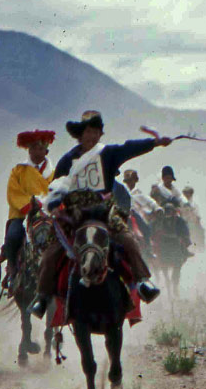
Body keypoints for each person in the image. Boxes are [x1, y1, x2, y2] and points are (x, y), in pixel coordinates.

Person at [27, 110, 172, 318]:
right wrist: (57, 205)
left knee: (128, 240)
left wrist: (154, 143)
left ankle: (142, 282)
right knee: (51, 253)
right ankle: (42, 296)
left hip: (103, 212)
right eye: (88, 131)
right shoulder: (67, 161)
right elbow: (55, 189)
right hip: (74, 215)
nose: (93, 136)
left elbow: (129, 148)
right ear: (80, 134)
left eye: (96, 132)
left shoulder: (108, 153)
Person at [2, 129, 55, 289]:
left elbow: (59, 191)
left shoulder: (54, 172)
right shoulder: (18, 170)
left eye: (40, 149)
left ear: (46, 151)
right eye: (33, 148)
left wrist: (49, 205)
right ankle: (12, 270)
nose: (36, 152)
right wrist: (30, 205)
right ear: (28, 150)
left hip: (49, 214)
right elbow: (13, 192)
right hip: (23, 214)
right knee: (13, 235)